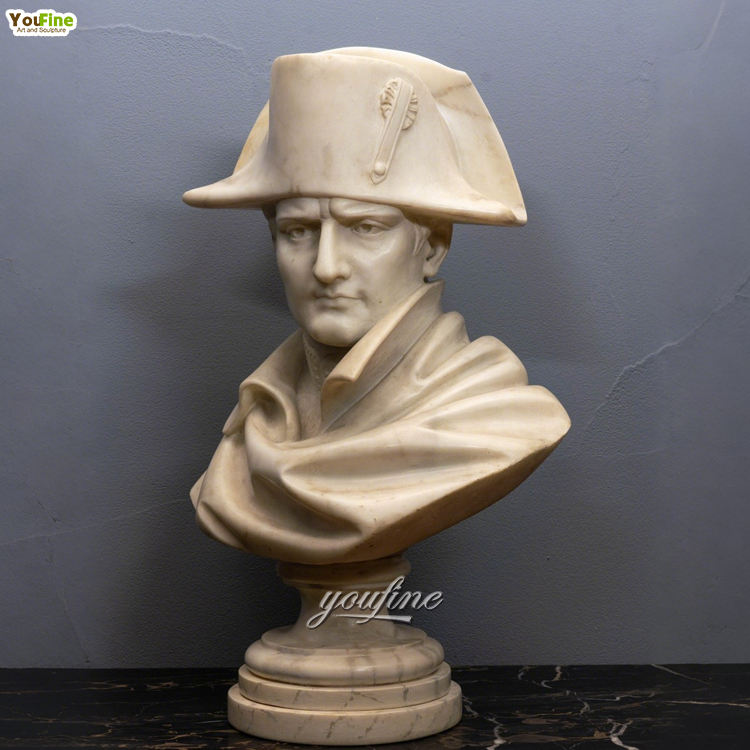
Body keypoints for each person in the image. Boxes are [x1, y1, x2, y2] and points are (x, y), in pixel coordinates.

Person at [183, 48, 570, 565]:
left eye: (365, 228)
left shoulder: (494, 413)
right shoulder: (258, 416)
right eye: (298, 231)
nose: (326, 267)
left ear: (432, 247)